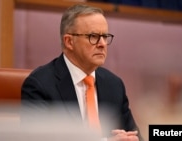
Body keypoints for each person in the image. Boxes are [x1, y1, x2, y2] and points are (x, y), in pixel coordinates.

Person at [21, 4, 143, 141]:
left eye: (105, 36)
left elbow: (135, 136)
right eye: (93, 36)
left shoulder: (114, 85)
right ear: (69, 41)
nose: (102, 43)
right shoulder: (40, 84)